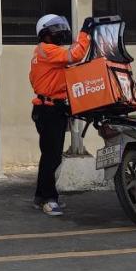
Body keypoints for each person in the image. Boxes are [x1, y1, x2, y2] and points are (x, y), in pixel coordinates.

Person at [30, 13, 93, 216]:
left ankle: (41, 197)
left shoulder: (48, 53)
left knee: (49, 155)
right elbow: (74, 55)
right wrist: (85, 32)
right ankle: (49, 199)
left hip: (51, 109)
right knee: (52, 157)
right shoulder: (47, 50)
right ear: (45, 34)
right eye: (55, 29)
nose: (60, 32)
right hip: (48, 110)